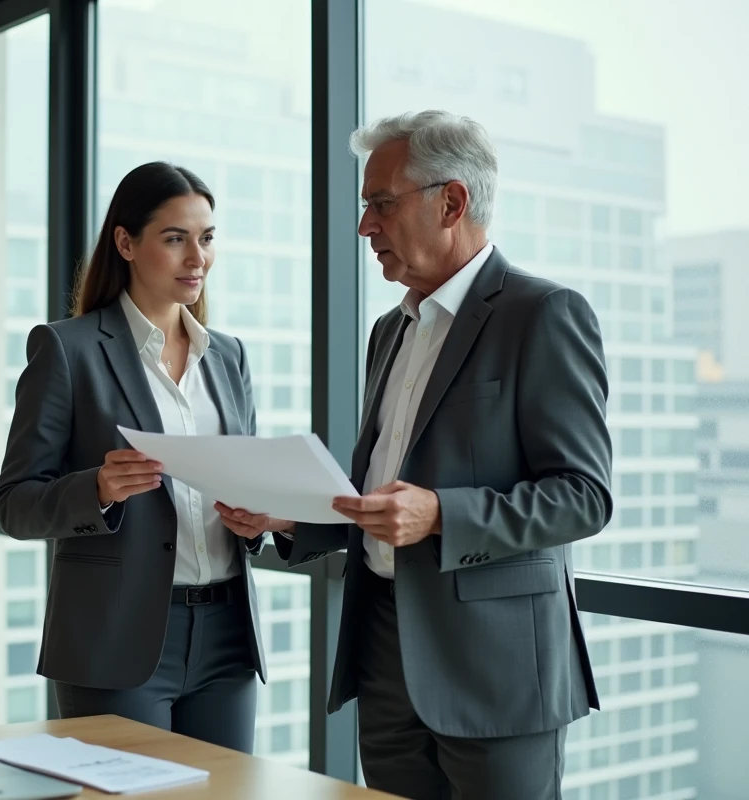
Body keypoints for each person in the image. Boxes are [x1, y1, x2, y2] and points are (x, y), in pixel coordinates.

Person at [218, 110, 612, 798]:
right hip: (383, 651)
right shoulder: (389, 330)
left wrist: (440, 516)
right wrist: (291, 519)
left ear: (451, 201)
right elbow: (380, 490)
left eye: (380, 203)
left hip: (495, 672)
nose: (366, 226)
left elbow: (584, 495)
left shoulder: (543, 313)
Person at [0, 161, 269, 753]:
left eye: (207, 238)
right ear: (126, 242)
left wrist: (259, 517)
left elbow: (243, 484)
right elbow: (15, 505)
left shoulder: (229, 357)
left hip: (226, 637)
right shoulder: (68, 351)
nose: (197, 257)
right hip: (116, 640)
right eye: (175, 239)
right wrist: (98, 489)